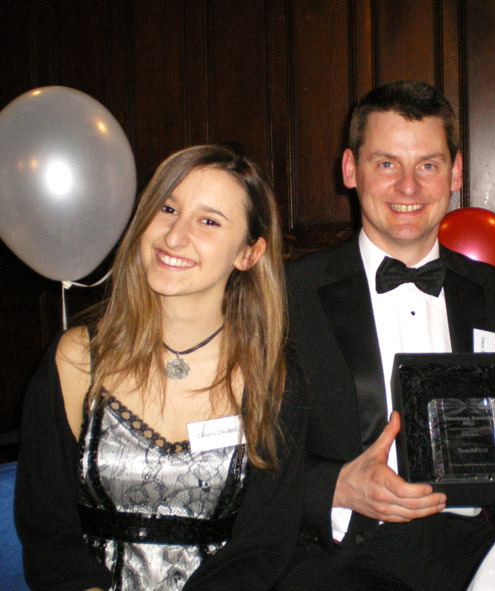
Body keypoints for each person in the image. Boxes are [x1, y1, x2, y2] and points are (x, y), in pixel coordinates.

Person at [283, 80, 495, 591]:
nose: (408, 187)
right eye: (386, 163)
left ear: (455, 174)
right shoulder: (288, 296)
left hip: (485, 548)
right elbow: (250, 453)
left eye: (427, 165)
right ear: (350, 169)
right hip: (341, 560)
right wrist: (337, 488)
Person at [14, 144, 306, 590]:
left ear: (248, 253)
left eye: (208, 221)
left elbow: (264, 547)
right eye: (167, 208)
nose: (173, 236)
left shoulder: (272, 377)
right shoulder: (75, 360)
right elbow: (48, 534)